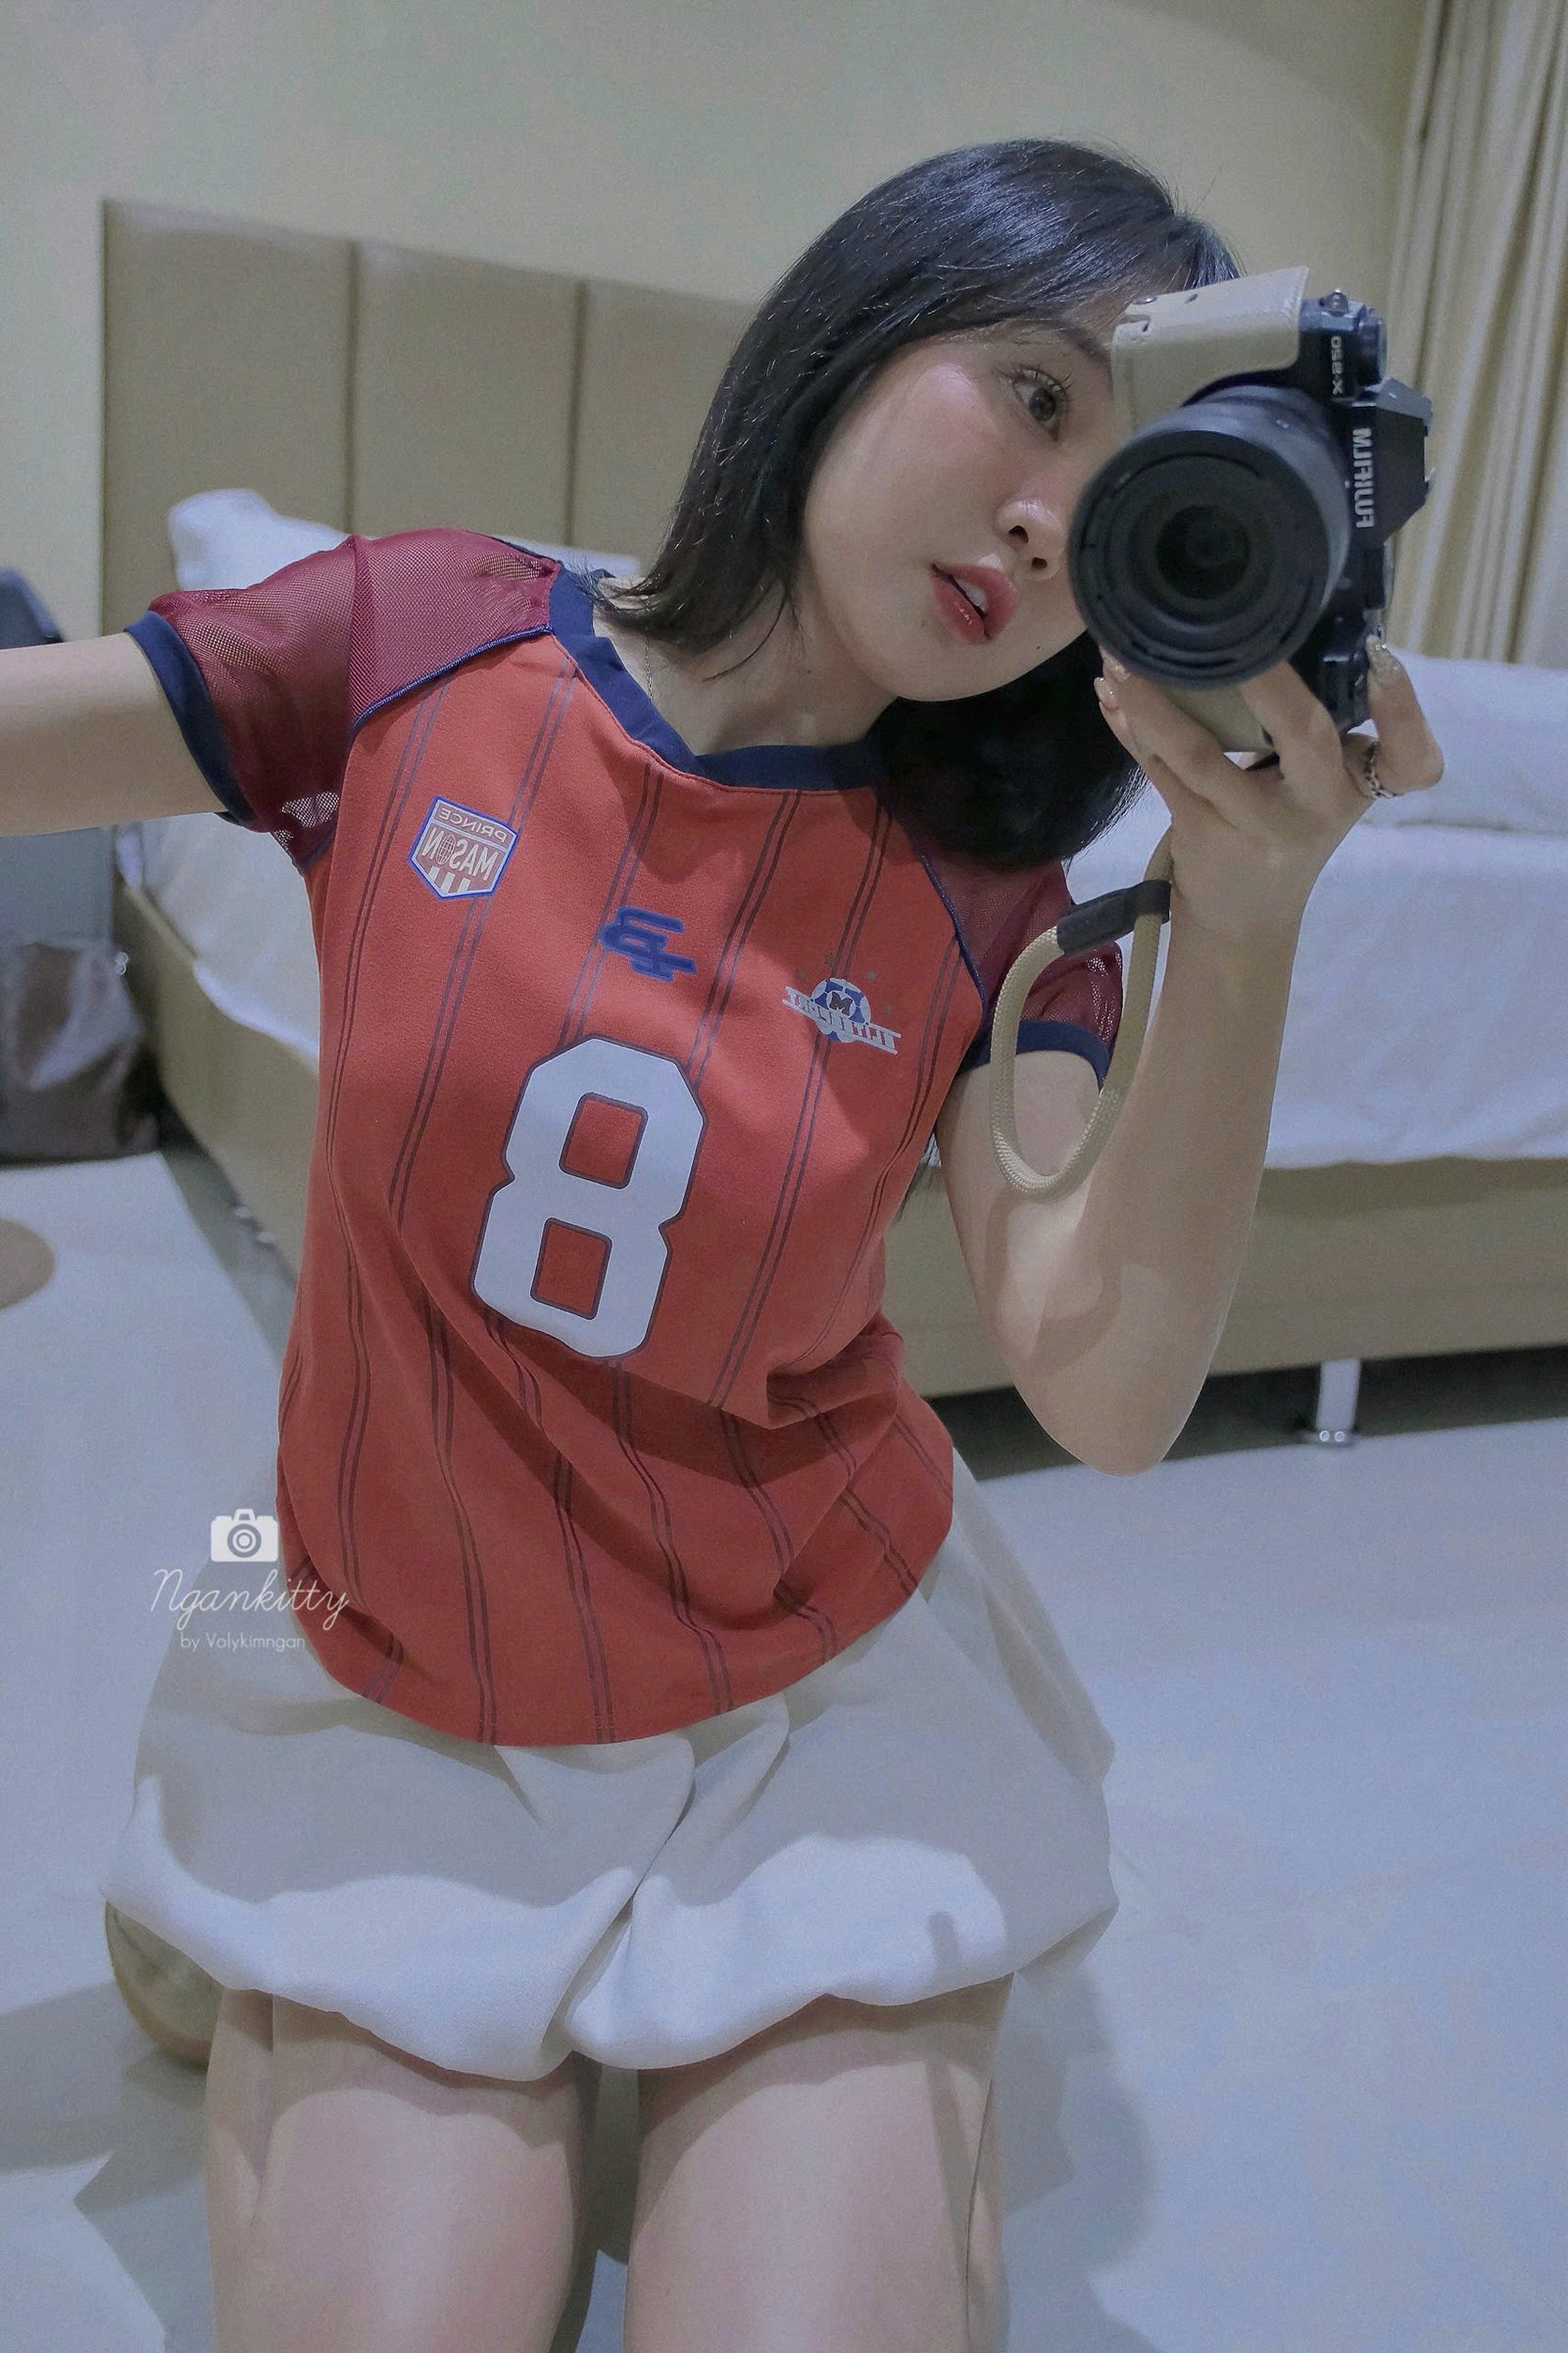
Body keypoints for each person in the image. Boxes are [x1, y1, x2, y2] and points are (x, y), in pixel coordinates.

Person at [3, 134, 1443, 2353]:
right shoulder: (415, 644)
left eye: (1120, 488)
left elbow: (1101, 1387)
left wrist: (1244, 926)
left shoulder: (1003, 906)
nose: (1046, 518)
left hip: (804, 1690)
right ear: (865, 323)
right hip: (403, 1664)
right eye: (1030, 394)